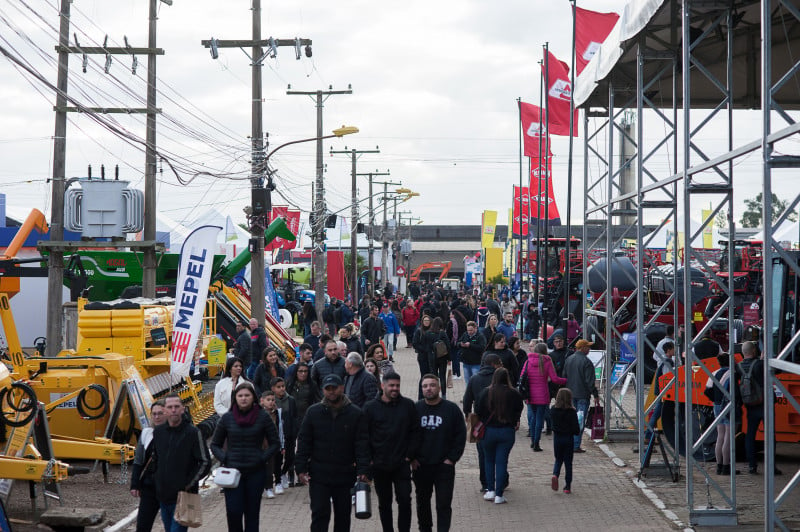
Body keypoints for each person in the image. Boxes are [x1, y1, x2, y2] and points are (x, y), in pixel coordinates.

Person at [295, 374, 370, 532]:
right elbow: (304, 441)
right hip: (319, 475)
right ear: (323, 390)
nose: (331, 392)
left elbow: (362, 444)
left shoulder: (355, 413)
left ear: (342, 388)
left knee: (343, 517)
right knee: (319, 515)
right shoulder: (313, 412)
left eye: (334, 388)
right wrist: (300, 468)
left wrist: (363, 470)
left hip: (345, 474)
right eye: (328, 389)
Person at [211, 382, 279, 531]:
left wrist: (262, 458)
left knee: (252, 513)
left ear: (253, 397)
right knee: (234, 512)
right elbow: (214, 444)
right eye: (240, 396)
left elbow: (275, 443)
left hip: (255, 472)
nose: (243, 399)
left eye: (247, 395)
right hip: (233, 473)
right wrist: (225, 458)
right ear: (235, 398)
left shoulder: (263, 417)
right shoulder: (227, 418)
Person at [363, 372, 422, 532]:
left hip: (401, 463)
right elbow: (364, 435)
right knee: (384, 503)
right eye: (391, 386)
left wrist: (409, 455)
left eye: (397, 385)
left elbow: (415, 431)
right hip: (379, 464)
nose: (395, 389)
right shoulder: (370, 408)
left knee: (404, 501)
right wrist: (369, 460)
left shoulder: (408, 405)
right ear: (383, 386)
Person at [413, 374, 467, 532]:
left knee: (443, 504)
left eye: (432, 385)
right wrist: (412, 459)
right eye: (425, 386)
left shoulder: (451, 409)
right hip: (421, 466)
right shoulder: (416, 409)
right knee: (422, 502)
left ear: (439, 387)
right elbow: (408, 435)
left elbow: (460, 435)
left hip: (444, 466)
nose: (428, 388)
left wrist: (451, 459)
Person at [151, 393, 211, 532]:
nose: (173, 410)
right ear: (164, 409)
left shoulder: (193, 433)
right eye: (170, 407)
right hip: (163, 496)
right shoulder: (159, 432)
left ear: (183, 409)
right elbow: (155, 458)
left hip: (183, 497)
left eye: (176, 407)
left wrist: (187, 484)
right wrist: (156, 479)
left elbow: (205, 462)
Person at [475, 368, 523, 504]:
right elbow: (519, 409)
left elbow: (477, 410)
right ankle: (499, 495)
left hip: (488, 431)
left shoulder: (485, 392)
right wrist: (514, 420)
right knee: (502, 462)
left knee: (488, 461)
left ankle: (490, 490)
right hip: (507, 431)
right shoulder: (514, 393)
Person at [736, 340, 781, 475]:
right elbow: (776, 371)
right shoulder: (760, 365)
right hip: (765, 405)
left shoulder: (738, 367)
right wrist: (763, 360)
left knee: (750, 435)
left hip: (750, 405)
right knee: (770, 436)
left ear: (743, 353)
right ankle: (771, 467)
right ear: (754, 351)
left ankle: (752, 466)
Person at [462, 353, 502, 494]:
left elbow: (467, 399)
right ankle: (502, 479)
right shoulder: (499, 378)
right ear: (494, 364)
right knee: (500, 454)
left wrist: (467, 414)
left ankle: (485, 482)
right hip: (500, 419)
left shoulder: (474, 378)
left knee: (483, 454)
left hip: (480, 422)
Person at [130, 400, 166, 532]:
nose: (157, 417)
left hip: (169, 488)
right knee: (143, 525)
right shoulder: (146, 433)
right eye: (154, 414)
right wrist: (134, 484)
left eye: (160, 413)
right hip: (149, 486)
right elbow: (139, 461)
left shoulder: (174, 433)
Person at [523, 342, 566, 452]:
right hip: (542, 394)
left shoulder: (528, 361)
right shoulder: (547, 362)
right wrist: (566, 380)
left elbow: (522, 376)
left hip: (530, 395)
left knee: (533, 418)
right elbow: (555, 379)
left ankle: (533, 441)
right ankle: (536, 442)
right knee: (539, 419)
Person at [704, 352, 739, 475]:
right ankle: (726, 466)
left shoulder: (714, 373)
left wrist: (715, 400)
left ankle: (719, 466)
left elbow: (707, 391)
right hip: (728, 406)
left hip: (717, 406)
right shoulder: (732, 374)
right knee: (728, 438)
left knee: (720, 436)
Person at [563, 339, 599, 453]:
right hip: (583, 395)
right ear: (582, 348)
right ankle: (576, 444)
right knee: (580, 420)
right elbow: (590, 381)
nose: (589, 349)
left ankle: (570, 443)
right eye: (588, 347)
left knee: (570, 419)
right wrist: (595, 395)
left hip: (570, 394)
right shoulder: (586, 362)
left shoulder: (568, 359)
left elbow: (564, 376)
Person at [550, 387, 581, 494]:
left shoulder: (553, 410)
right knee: (568, 463)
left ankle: (555, 474)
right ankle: (567, 486)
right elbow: (576, 430)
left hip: (557, 438)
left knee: (558, 459)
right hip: (568, 439)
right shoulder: (572, 412)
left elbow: (551, 424)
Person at [644, 341, 675, 442]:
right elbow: (668, 378)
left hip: (663, 392)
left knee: (658, 414)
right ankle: (648, 435)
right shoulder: (667, 362)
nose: (675, 350)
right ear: (669, 350)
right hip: (665, 393)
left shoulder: (663, 360)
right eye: (674, 349)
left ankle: (648, 435)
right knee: (656, 414)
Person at [272, 377, 298, 488]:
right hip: (276, 434)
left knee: (290, 457)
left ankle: (284, 472)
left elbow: (295, 416)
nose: (282, 389)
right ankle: (278, 476)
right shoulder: (271, 400)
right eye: (279, 387)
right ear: (273, 389)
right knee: (277, 458)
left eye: (283, 386)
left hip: (289, 433)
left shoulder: (291, 400)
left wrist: (294, 430)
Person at [259, 390, 285, 498]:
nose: (271, 402)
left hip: (272, 444)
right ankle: (263, 487)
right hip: (261, 444)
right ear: (262, 401)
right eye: (268, 400)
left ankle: (271, 486)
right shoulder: (259, 413)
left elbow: (280, 428)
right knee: (261, 468)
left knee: (273, 466)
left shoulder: (277, 413)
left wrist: (281, 444)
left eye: (272, 400)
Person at [412, 315, 434, 399]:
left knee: (431, 376)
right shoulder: (419, 331)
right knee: (424, 376)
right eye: (425, 320)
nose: (426, 322)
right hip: (423, 357)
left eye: (428, 320)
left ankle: (431, 394)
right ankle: (421, 396)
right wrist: (425, 349)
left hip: (432, 358)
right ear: (422, 321)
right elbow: (415, 343)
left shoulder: (432, 331)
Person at [429, 317, 451, 399]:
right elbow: (448, 346)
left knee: (434, 377)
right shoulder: (442, 333)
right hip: (442, 357)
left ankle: (434, 394)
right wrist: (449, 358)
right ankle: (444, 395)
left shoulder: (429, 333)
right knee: (442, 377)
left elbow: (427, 346)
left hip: (432, 358)